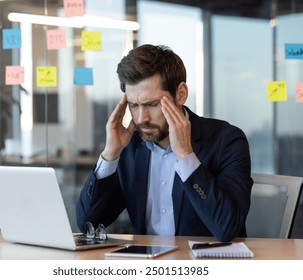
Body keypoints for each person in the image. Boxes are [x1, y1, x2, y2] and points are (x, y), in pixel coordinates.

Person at [76, 44, 253, 242]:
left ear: (181, 94)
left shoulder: (226, 141)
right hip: (146, 266)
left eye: (152, 104)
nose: (141, 118)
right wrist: (110, 155)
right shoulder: (128, 146)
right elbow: (87, 223)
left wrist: (186, 156)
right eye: (134, 105)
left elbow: (227, 228)